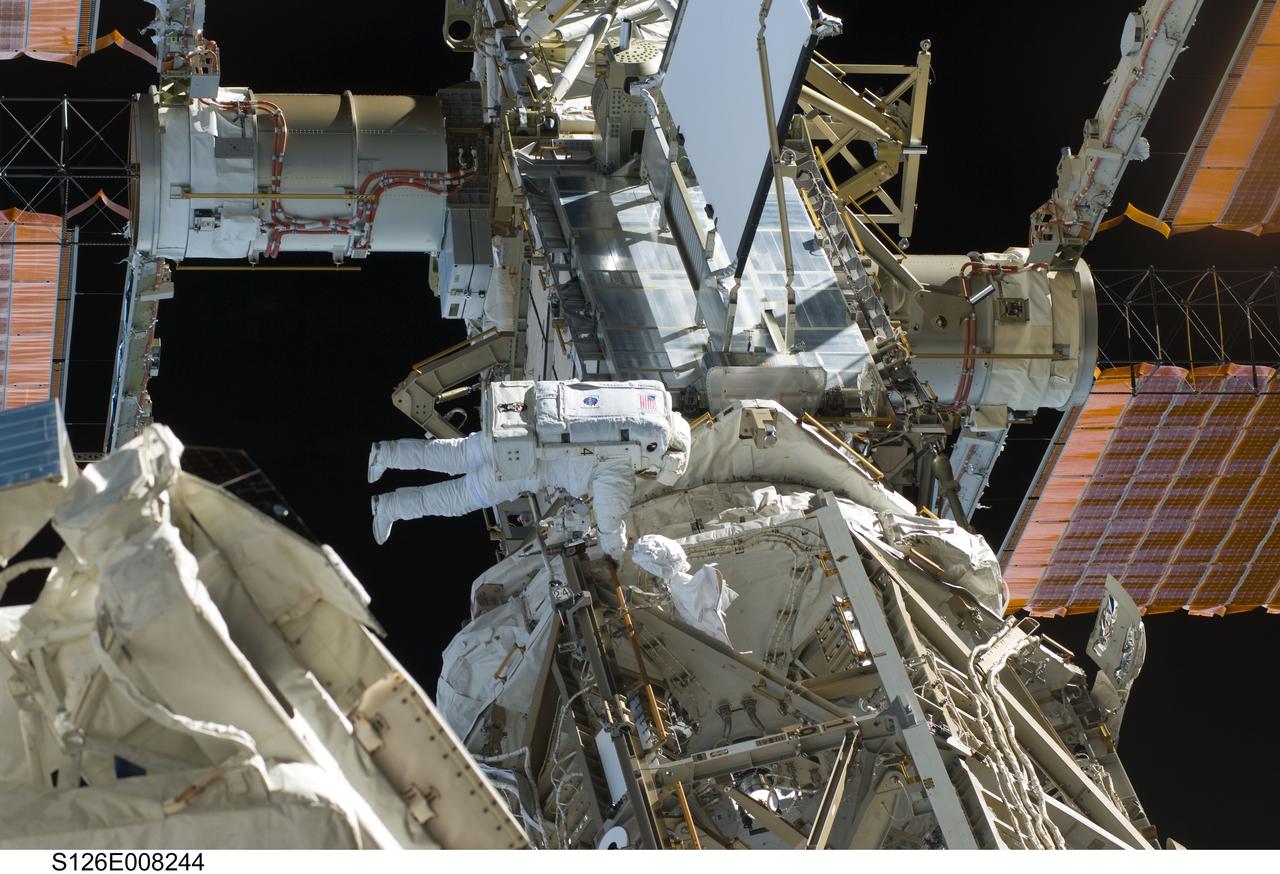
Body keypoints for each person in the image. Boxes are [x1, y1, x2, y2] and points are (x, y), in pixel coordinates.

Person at [369, 379, 690, 559]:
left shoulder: (637, 403)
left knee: (454, 454)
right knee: (457, 499)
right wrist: (616, 549)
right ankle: (390, 506)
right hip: (525, 464)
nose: (645, 474)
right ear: (659, 458)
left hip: (518, 425)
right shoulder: (625, 457)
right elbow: (609, 514)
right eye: (651, 471)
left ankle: (385, 454)